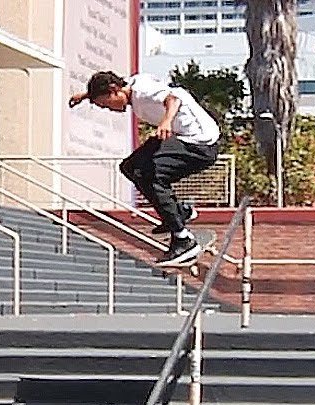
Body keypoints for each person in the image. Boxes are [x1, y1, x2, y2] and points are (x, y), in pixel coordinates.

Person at [70, 70, 220, 267]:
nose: (110, 110)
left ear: (114, 91)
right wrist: (86, 96)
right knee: (129, 167)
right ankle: (179, 212)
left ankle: (183, 240)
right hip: (185, 138)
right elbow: (111, 82)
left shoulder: (142, 92)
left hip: (199, 144)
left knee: (148, 174)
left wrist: (166, 122)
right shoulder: (130, 85)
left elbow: (173, 98)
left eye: (106, 105)